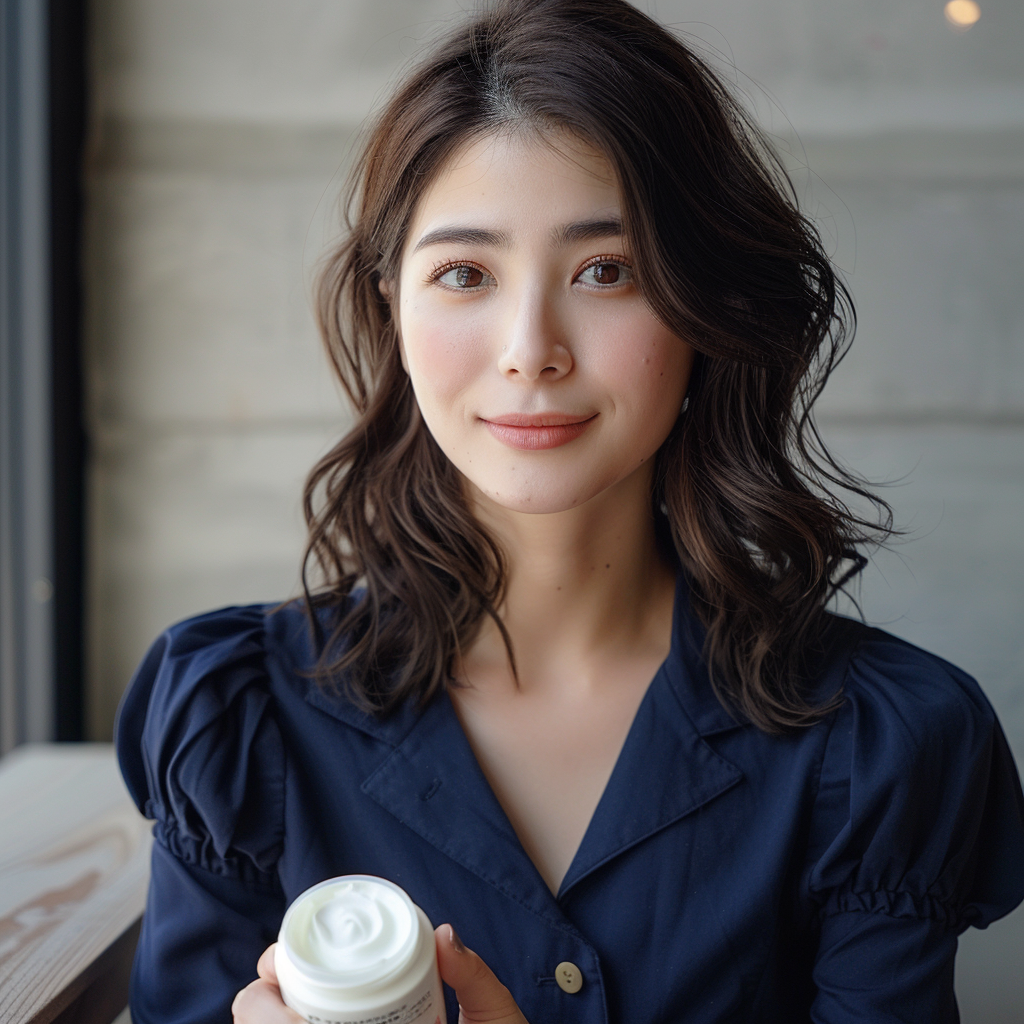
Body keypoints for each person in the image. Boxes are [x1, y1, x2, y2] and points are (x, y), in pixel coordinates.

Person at [115, 1, 1024, 1022]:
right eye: (464, 273)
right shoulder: (239, 720)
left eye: (606, 270)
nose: (529, 347)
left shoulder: (881, 746)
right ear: (391, 308)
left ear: (701, 305)